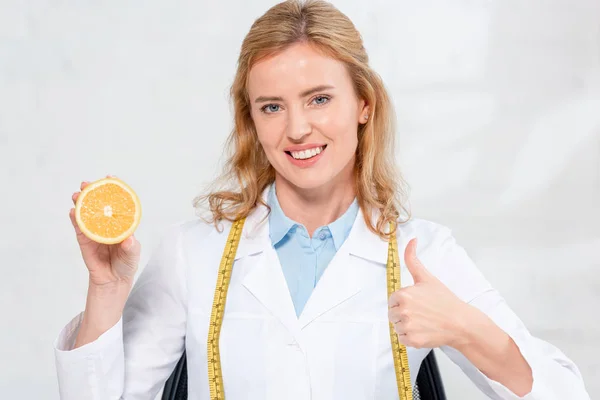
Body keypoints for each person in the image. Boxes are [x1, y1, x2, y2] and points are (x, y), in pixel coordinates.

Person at [54, 1, 591, 399]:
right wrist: (106, 289)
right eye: (271, 107)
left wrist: (470, 331)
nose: (297, 129)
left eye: (319, 99)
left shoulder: (423, 253)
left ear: (363, 103)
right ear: (252, 121)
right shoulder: (192, 254)